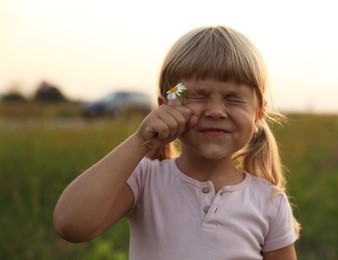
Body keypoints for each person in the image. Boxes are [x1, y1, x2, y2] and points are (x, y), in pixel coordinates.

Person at [53, 25, 301, 259]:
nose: (216, 111)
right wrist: (142, 140)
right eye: (198, 96)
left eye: (233, 99)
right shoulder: (145, 180)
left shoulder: (269, 202)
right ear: (165, 106)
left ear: (259, 113)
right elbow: (71, 224)